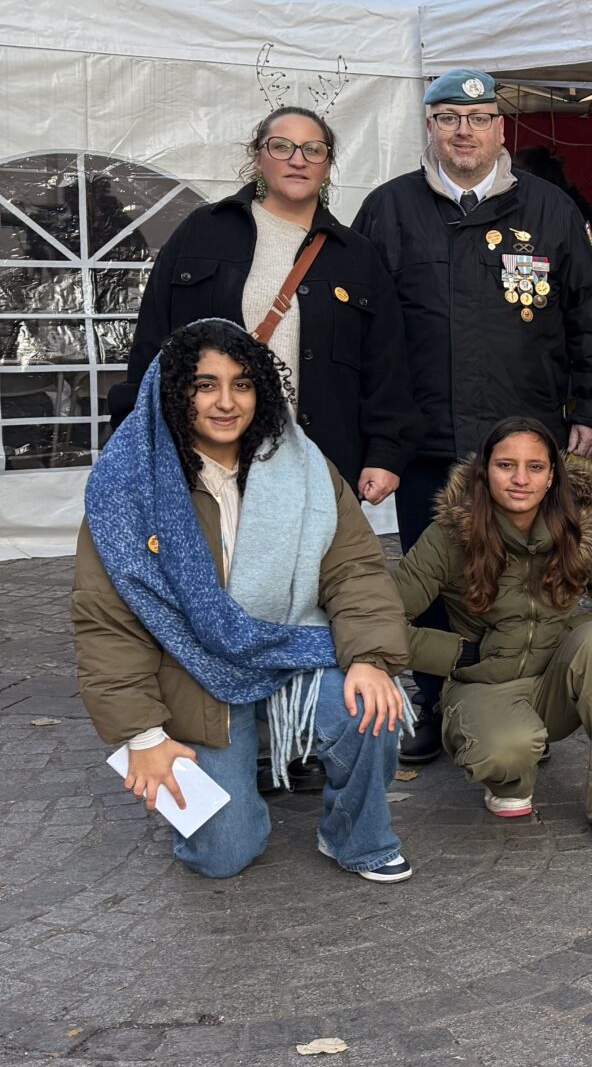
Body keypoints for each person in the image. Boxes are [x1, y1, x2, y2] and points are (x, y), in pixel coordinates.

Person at [72, 322, 413, 882]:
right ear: (176, 391)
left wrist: (371, 658)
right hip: (192, 677)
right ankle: (231, 780)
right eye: (205, 385)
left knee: (371, 706)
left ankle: (357, 836)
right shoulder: (125, 485)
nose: (226, 402)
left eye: (242, 384)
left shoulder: (303, 467)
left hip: (288, 649)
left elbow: (354, 569)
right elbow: (107, 624)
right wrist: (144, 736)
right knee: (223, 855)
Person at [353, 68, 592, 764]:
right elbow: (360, 329)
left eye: (476, 118)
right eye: (448, 119)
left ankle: (523, 695)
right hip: (426, 440)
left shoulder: (552, 210)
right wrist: (374, 434)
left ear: (501, 128)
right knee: (431, 578)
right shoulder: (388, 210)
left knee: (527, 580)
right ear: (431, 128)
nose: (463, 132)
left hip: (522, 444)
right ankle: (436, 699)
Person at [115, 106, 412, 505]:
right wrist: (138, 440)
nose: (297, 159)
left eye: (313, 150)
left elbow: (386, 365)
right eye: (281, 146)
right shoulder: (202, 232)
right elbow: (152, 344)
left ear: (327, 166)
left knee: (314, 569)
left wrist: (385, 454)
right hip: (204, 458)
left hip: (317, 461)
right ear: (257, 157)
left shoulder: (356, 255)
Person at [394, 420, 592, 854]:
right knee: (505, 751)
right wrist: (459, 654)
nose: (520, 479)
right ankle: (511, 779)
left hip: (554, 683)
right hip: (485, 684)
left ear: (552, 475)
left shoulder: (580, 528)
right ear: (484, 471)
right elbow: (382, 619)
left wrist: (564, 636)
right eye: (506, 465)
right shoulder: (450, 534)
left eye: (535, 467)